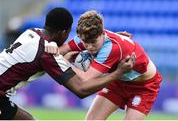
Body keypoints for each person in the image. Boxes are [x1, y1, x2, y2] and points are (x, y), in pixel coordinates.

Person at [0, 8, 135, 120]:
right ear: (64, 32)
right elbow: (81, 89)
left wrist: (105, 41)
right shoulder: (46, 54)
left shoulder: (32, 32)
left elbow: (41, 57)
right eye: (68, 33)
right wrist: (118, 73)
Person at [45, 10, 162, 120]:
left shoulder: (111, 49)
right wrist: (53, 45)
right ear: (80, 37)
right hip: (118, 82)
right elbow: (61, 50)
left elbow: (85, 78)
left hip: (144, 87)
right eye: (85, 43)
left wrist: (64, 61)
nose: (89, 47)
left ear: (102, 33)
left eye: (93, 42)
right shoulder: (87, 36)